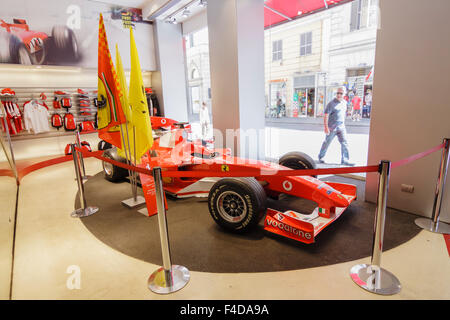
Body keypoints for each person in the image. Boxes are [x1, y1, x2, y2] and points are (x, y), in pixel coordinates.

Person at [318, 86, 355, 166]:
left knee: (344, 143)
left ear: (344, 94)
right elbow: (326, 115)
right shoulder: (331, 104)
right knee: (327, 142)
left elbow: (343, 114)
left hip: (341, 127)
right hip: (332, 128)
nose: (338, 95)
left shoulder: (344, 103)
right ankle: (321, 157)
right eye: (337, 93)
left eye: (341, 93)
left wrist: (350, 113)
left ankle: (345, 160)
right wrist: (326, 127)